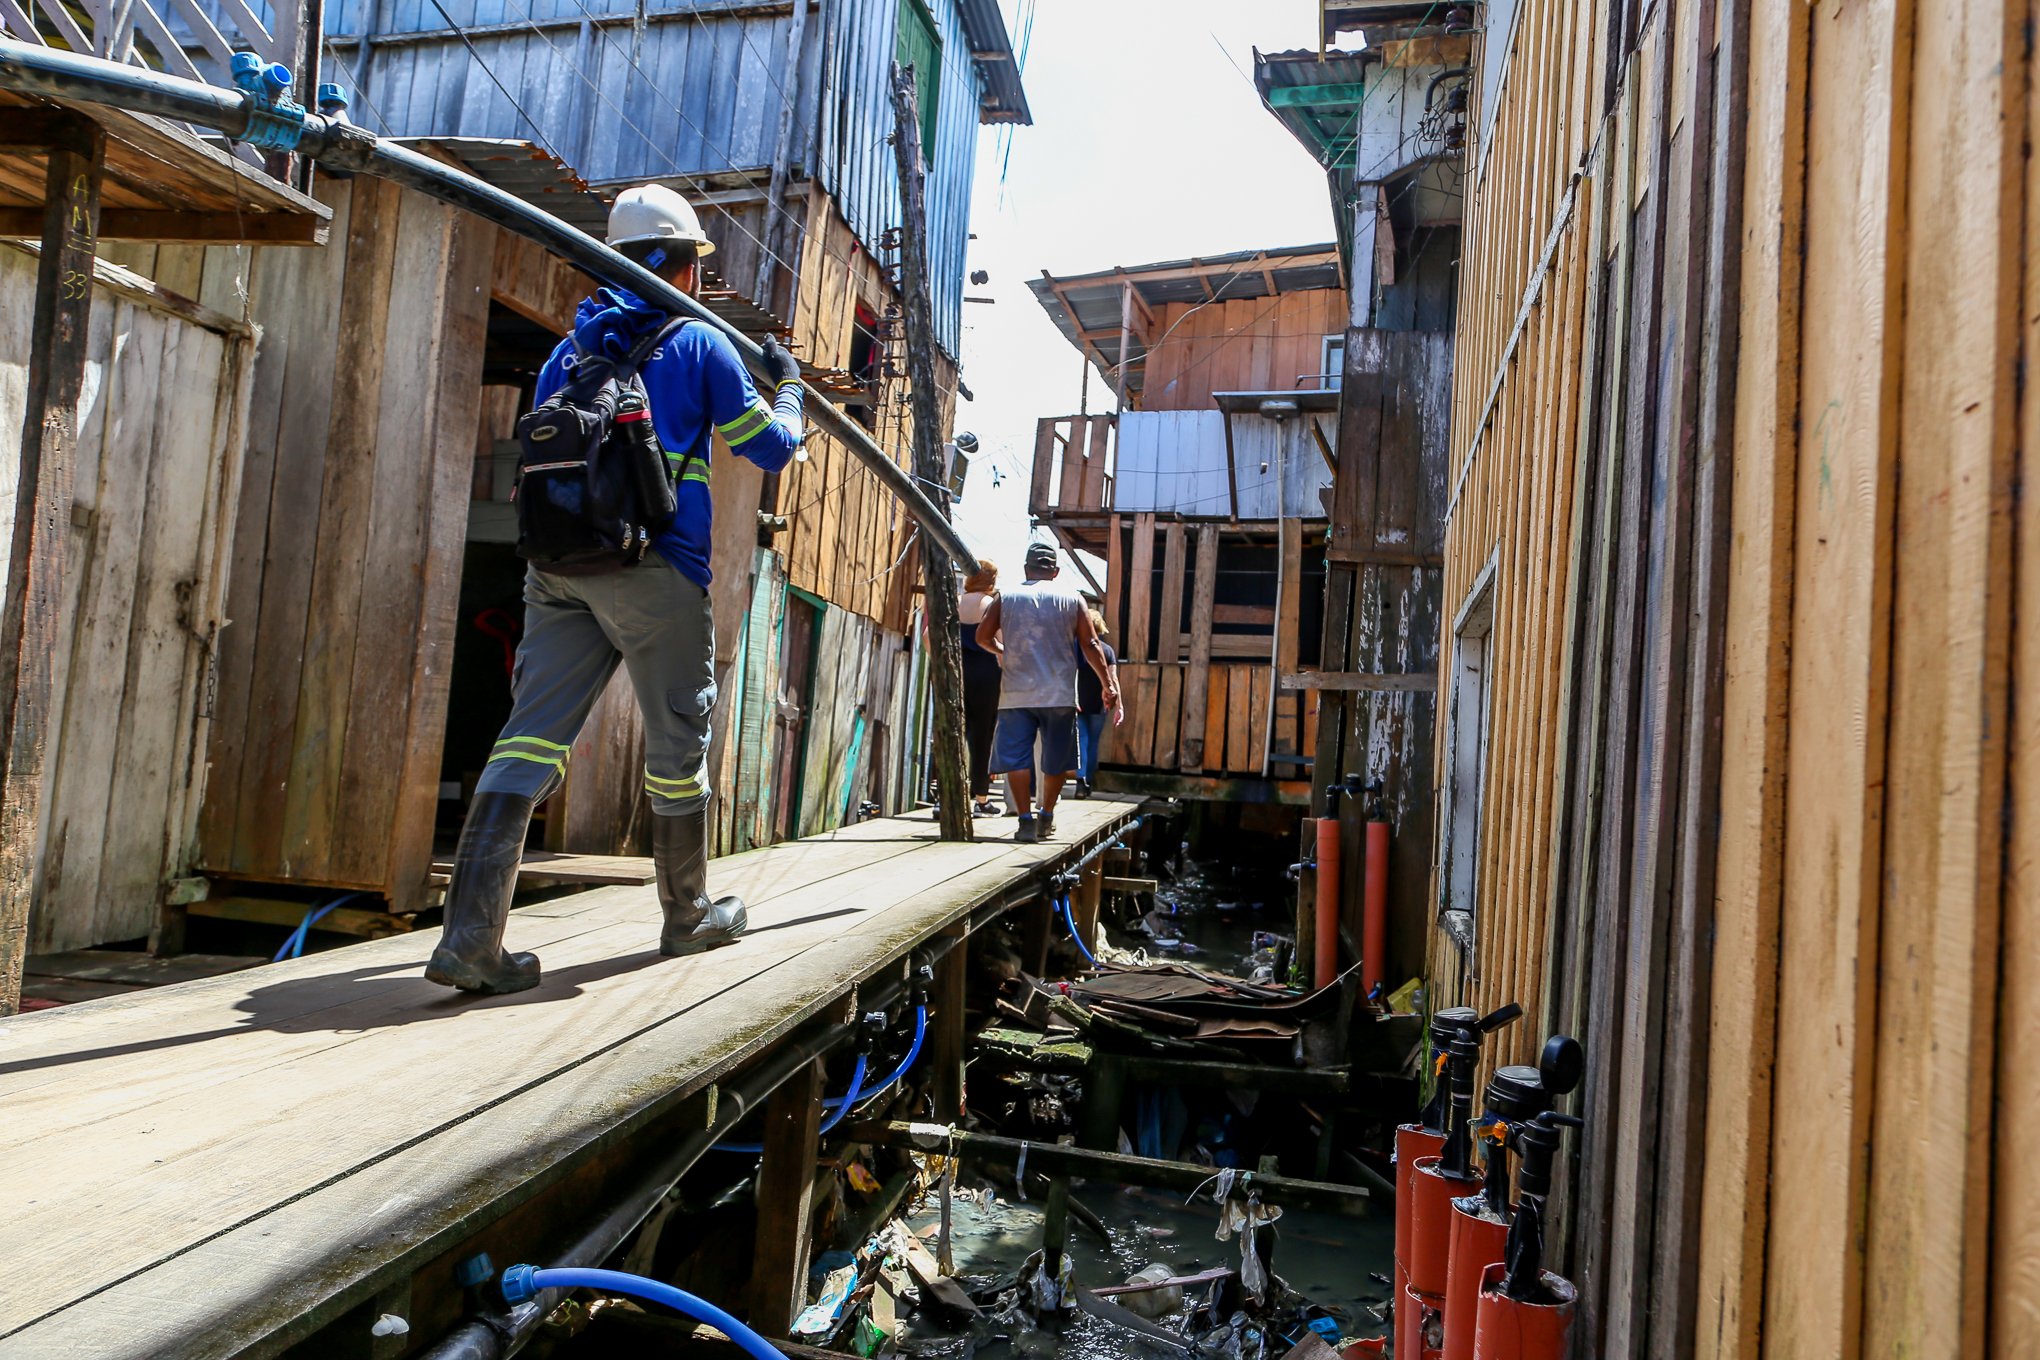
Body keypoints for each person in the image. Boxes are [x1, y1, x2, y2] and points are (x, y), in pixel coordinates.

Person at [426, 184, 805, 995]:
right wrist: (791, 389)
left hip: (559, 569)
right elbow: (771, 451)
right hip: (653, 570)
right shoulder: (698, 342)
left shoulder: (570, 351)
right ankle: (687, 913)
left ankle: (470, 938)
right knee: (677, 744)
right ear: (678, 265)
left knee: (528, 737)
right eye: (695, 261)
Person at [975, 541, 1118, 842]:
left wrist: (1003, 650)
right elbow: (1091, 645)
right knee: (1055, 759)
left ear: (1026, 568)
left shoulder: (1007, 596)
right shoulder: (1073, 599)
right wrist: (1108, 684)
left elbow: (982, 636)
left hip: (1015, 694)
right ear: (1054, 571)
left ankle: (1025, 821)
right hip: (1059, 694)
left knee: (1016, 758)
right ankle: (1047, 817)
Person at [958, 561, 1003, 816]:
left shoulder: (954, 600)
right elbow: (1000, 641)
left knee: (953, 731)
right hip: (986, 675)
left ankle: (945, 797)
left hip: (957, 672)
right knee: (981, 736)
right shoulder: (989, 605)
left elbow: (929, 635)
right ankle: (981, 799)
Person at [1071, 608, 1122, 799]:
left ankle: (1080, 781)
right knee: (1092, 743)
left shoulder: (1075, 647)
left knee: (1081, 741)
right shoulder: (1107, 651)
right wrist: (1119, 705)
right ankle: (1088, 781)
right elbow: (1113, 679)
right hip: (1101, 703)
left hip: (1078, 700)